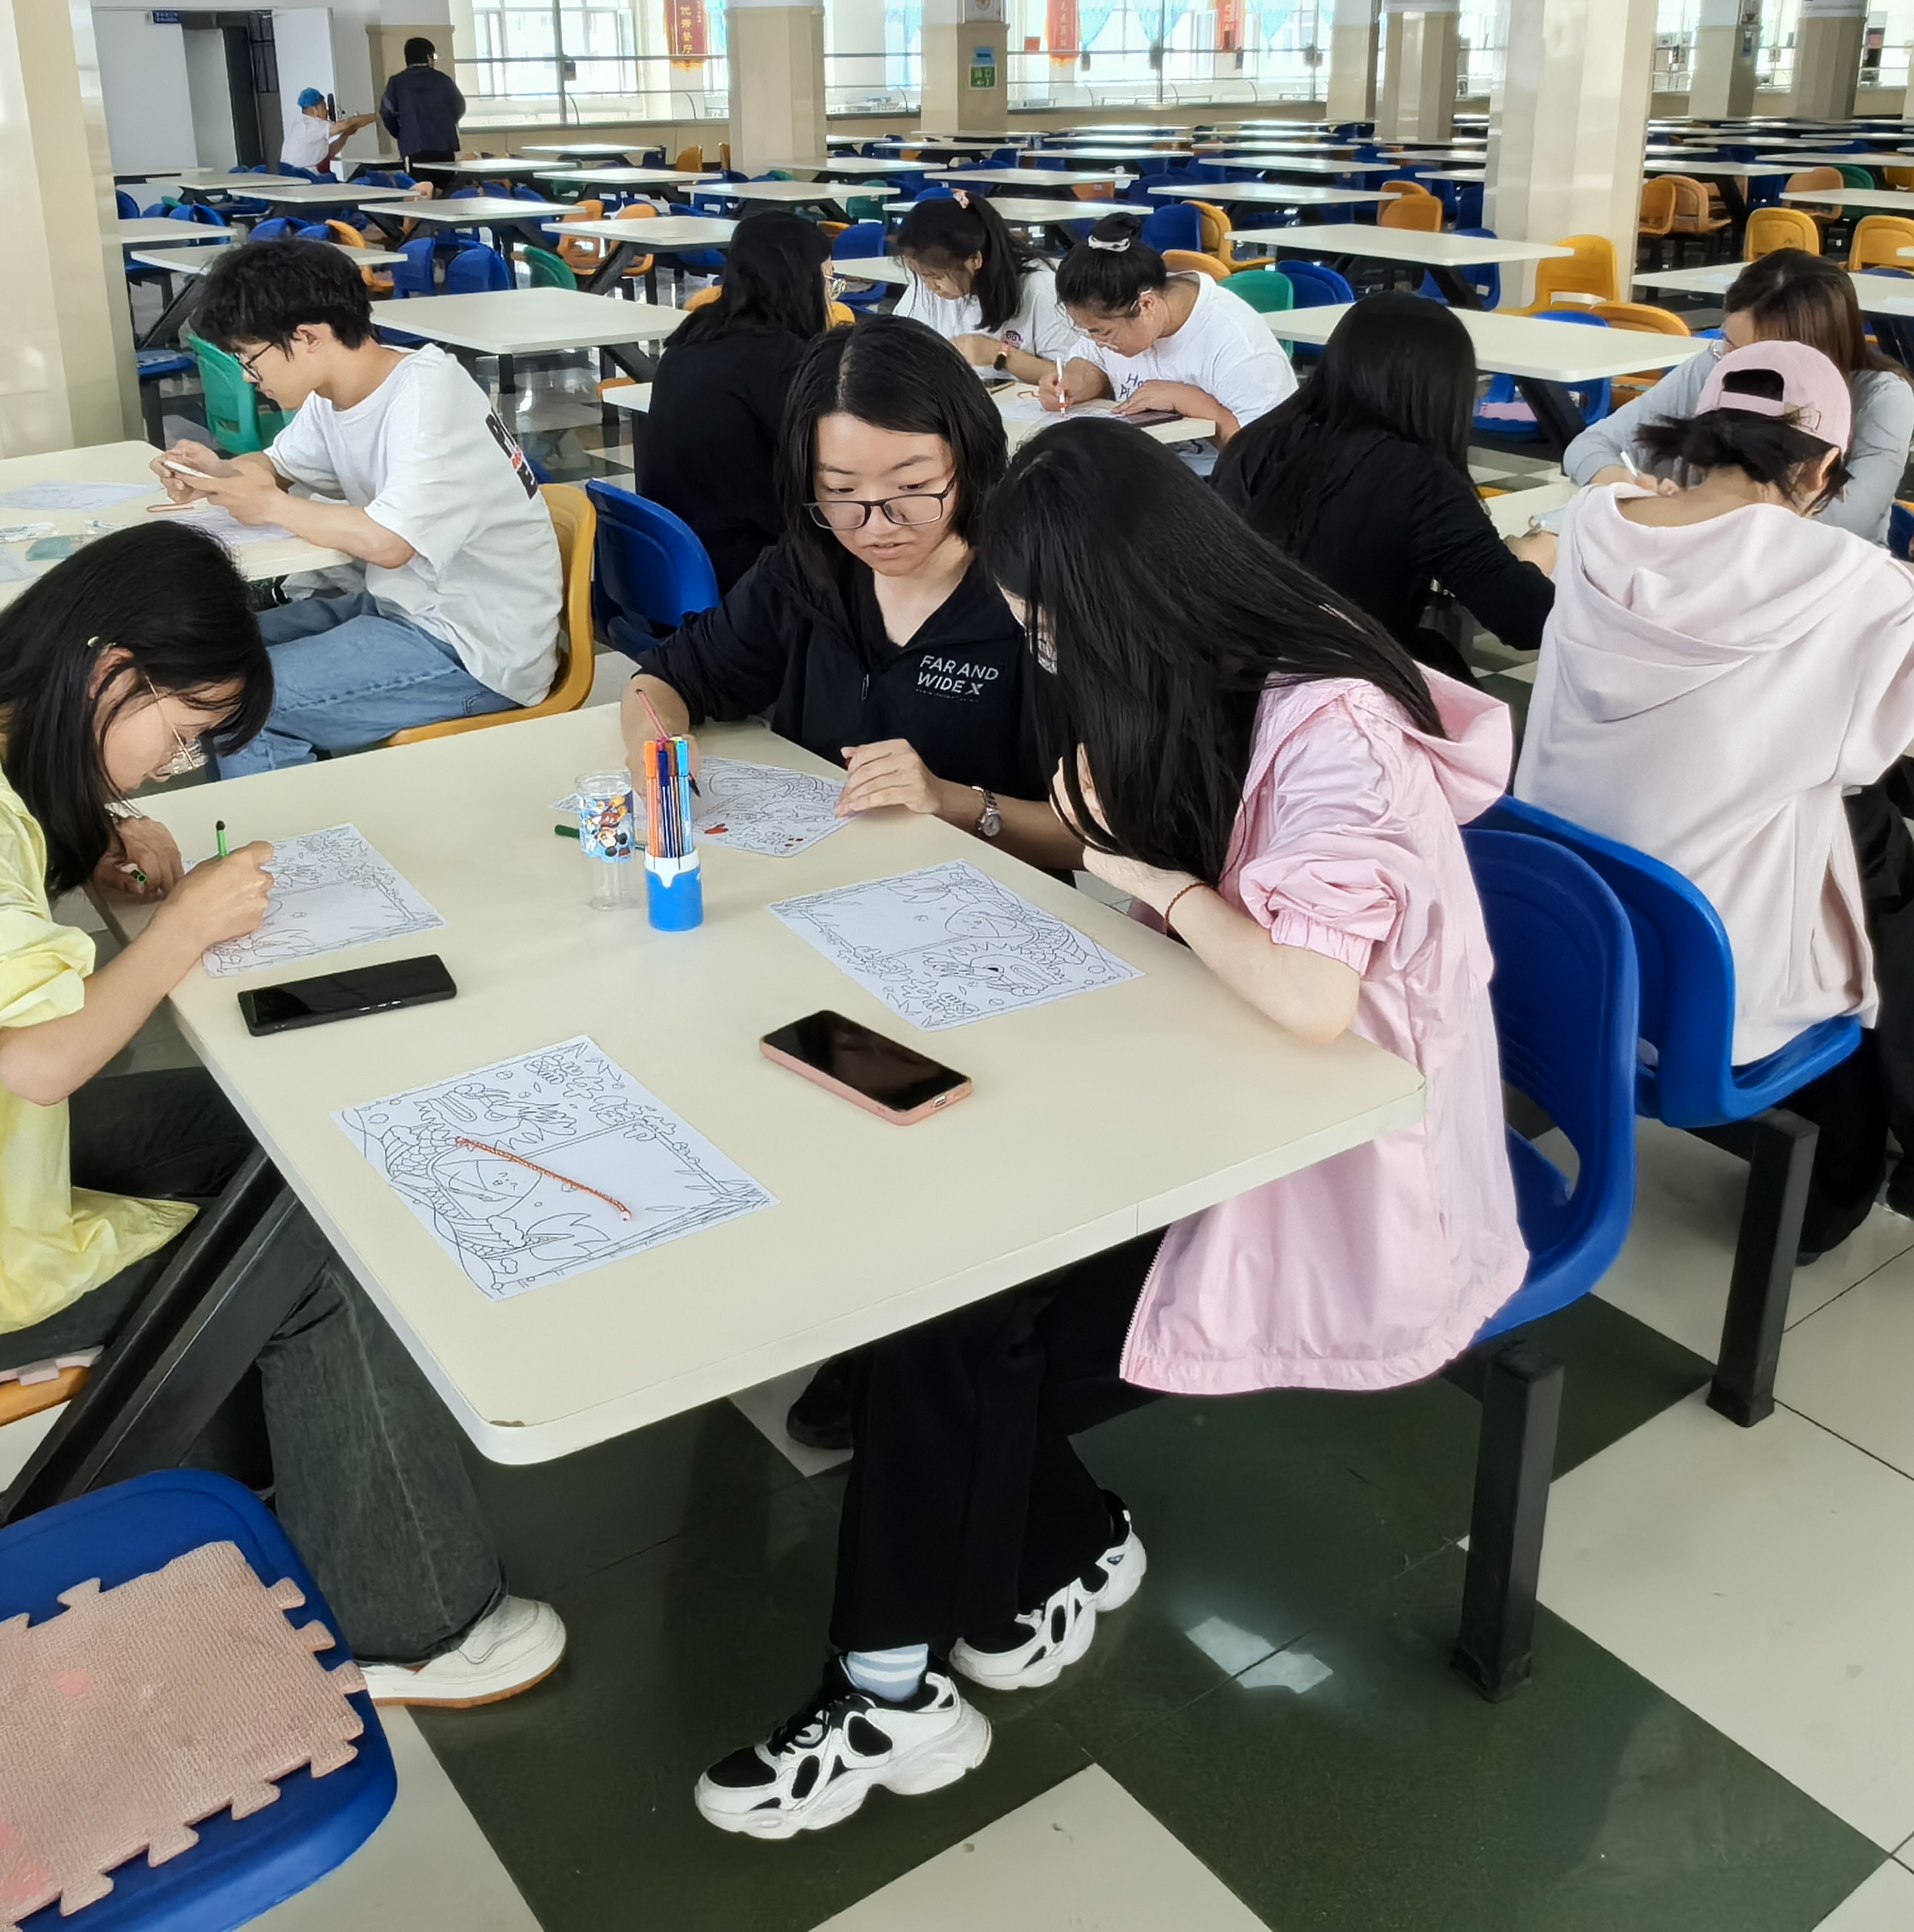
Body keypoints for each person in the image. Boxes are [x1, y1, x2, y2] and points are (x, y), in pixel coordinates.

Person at [694, 419, 1524, 1840]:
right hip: (1205, 1071)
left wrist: (1151, 876)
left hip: (1332, 1143)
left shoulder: (1332, 727)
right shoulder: (1210, 670)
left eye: (1050, 628)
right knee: (944, 1307)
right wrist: (1054, 832)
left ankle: (888, 1686)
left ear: (1128, 597)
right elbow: (1124, 850)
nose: (1047, 655)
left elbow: (1311, 996)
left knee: (954, 1324)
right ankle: (1061, 1549)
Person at [0, 526, 564, 1705]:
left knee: (271, 1135)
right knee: (324, 1245)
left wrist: (88, 846)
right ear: (111, 669)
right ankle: (414, 1622)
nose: (175, 764)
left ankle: (275, 1472)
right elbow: (39, 1061)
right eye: (184, 728)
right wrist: (185, 926)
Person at [1518, 346, 1914, 1249]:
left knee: (1846, 827)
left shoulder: (1592, 523)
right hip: (1710, 970)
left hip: (1563, 926)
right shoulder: (1846, 575)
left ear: (1699, 437)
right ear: (1822, 469)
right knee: (1863, 839)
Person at [626, 313, 1079, 868]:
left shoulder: (1035, 601)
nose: (877, 527)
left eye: (912, 486)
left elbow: (1111, 839)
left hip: (988, 905)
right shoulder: (810, 569)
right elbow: (664, 679)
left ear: (969, 457)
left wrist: (951, 801)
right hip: (816, 884)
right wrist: (658, 750)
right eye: (840, 491)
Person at [160, 238, 560, 766]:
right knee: (205, 659)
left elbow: (390, 543)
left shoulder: (428, 395)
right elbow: (278, 466)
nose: (247, 377)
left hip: (474, 648)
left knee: (240, 704)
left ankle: (286, 819)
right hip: (399, 608)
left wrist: (269, 506)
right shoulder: (335, 393)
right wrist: (216, 474)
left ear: (307, 337)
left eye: (248, 357)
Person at [1214, 290, 1556, 679]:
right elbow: (1527, 621)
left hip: (1232, 683)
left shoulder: (1256, 441)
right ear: (1441, 390)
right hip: (1337, 686)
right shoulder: (1418, 479)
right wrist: (1532, 559)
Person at [1561, 249, 1914, 542]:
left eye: (1758, 357)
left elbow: (1849, 522)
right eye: (1730, 344)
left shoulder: (1882, 398)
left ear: (1815, 356)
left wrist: (1690, 509)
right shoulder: (1716, 365)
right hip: (1700, 563)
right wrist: (1627, 486)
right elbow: (1589, 445)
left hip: (1822, 582)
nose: (1735, 368)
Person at [635, 210, 833, 589]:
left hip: (675, 555)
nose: (830, 294)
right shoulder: (779, 357)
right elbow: (830, 457)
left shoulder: (694, 334)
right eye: (828, 279)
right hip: (744, 569)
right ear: (801, 281)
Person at [1041, 218, 1296, 446]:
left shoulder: (1236, 343)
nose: (1099, 343)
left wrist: (1194, 403)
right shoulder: (1117, 312)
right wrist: (1074, 384)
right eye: (1090, 333)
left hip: (1208, 478)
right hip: (1136, 463)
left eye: (1105, 334)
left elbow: (1267, 456)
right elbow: (1091, 361)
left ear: (1146, 305)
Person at [887, 191, 1087, 377]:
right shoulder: (928, 285)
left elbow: (1076, 379)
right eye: (922, 276)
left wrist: (997, 353)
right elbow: (897, 345)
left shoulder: (1040, 289)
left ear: (974, 260)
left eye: (936, 277)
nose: (931, 286)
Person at [379, 37, 468, 166]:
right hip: (444, 145)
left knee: (417, 179)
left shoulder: (397, 82)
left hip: (412, 146)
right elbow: (459, 107)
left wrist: (402, 132)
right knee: (446, 178)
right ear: (428, 57)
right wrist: (445, 124)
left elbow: (386, 112)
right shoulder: (443, 80)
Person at [278, 88, 376, 178]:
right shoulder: (314, 124)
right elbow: (346, 124)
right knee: (366, 175)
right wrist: (376, 117)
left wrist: (345, 135)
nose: (327, 111)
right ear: (315, 109)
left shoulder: (298, 126)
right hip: (307, 178)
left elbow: (329, 152)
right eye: (324, 107)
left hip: (292, 177)